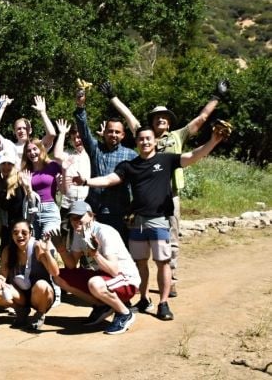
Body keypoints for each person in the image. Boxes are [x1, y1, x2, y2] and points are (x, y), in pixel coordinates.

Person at [75, 124, 227, 321]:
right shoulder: (130, 165)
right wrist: (87, 181)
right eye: (141, 139)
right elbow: (110, 179)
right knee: (140, 263)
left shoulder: (167, 159)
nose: (145, 142)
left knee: (163, 262)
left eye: (148, 138)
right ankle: (144, 299)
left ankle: (163, 303)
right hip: (137, 221)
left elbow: (192, 156)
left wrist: (213, 141)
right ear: (136, 142)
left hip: (159, 220)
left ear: (155, 141)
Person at [102, 79, 228, 296]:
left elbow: (202, 119)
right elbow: (129, 116)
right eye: (157, 117)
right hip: (145, 199)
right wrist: (112, 96)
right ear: (151, 123)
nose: (161, 119)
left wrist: (217, 97)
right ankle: (139, 283)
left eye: (165, 117)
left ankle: (172, 280)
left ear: (169, 123)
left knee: (172, 239)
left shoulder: (178, 136)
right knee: (141, 245)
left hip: (172, 195)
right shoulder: (144, 137)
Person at [54, 201, 140, 335]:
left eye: (79, 217)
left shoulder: (104, 232)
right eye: (72, 218)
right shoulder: (78, 233)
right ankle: (103, 306)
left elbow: (114, 270)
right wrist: (61, 250)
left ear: (90, 215)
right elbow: (71, 265)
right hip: (103, 276)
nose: (75, 221)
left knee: (95, 284)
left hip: (126, 280)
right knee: (59, 276)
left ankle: (124, 313)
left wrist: (96, 254)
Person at [74, 90, 136, 243]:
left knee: (117, 250)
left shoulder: (131, 155)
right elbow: (84, 130)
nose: (113, 134)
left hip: (118, 212)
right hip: (93, 210)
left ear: (123, 135)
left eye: (117, 132)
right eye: (110, 131)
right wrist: (80, 106)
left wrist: (135, 210)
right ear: (104, 133)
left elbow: (138, 185)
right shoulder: (96, 149)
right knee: (90, 248)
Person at [0, 220, 59, 331]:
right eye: (16, 232)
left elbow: (55, 273)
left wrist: (46, 251)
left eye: (24, 232)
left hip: (41, 295)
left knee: (42, 285)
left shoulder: (37, 247)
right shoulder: (8, 250)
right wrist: (0, 280)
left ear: (30, 233)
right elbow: (3, 273)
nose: (20, 236)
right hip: (21, 295)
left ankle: (40, 314)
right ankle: (21, 311)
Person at [20, 128, 66, 240]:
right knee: (34, 248)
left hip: (50, 209)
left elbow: (63, 190)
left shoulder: (53, 166)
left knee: (47, 245)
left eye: (34, 149)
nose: (32, 153)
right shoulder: (25, 172)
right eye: (29, 151)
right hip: (32, 211)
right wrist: (28, 187)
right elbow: (28, 197)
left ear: (41, 149)